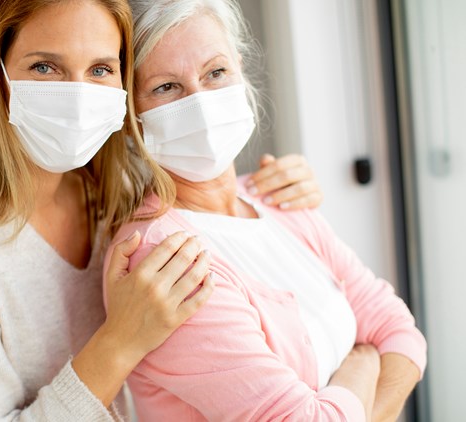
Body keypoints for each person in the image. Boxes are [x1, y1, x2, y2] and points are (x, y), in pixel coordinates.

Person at [0, 0, 323, 420]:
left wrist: (275, 192)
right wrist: (121, 340)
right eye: (45, 67)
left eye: (101, 69)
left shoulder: (117, 190)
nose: (78, 95)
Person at [103, 1, 427, 421]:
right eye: (166, 87)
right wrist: (364, 361)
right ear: (133, 115)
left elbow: (400, 332)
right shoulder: (164, 260)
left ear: (239, 71)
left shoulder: (276, 198)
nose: (200, 102)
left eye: (215, 72)